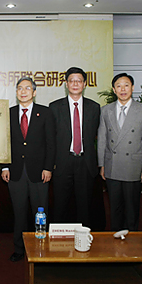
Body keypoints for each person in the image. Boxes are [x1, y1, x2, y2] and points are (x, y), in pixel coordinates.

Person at [1, 77, 55, 262]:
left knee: (40, 213)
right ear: (16, 92)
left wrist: (48, 167)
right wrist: (5, 166)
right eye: (19, 88)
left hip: (39, 172)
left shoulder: (45, 113)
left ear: (34, 92)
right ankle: (19, 249)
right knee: (19, 213)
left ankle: (41, 248)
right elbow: (4, 142)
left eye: (27, 88)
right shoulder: (8, 113)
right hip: (15, 172)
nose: (23, 91)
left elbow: (51, 144)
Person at [97, 73, 142, 231]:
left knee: (132, 208)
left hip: (134, 167)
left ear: (133, 88)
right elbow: (102, 139)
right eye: (119, 86)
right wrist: (101, 164)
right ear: (114, 90)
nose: (123, 89)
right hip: (112, 166)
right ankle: (115, 239)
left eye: (126, 85)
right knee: (114, 208)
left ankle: (132, 243)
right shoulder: (105, 110)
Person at [49, 67, 101, 227]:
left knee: (85, 206)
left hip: (86, 163)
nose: (75, 84)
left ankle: (85, 242)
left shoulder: (94, 108)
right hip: (63, 162)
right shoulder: (54, 107)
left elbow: (100, 137)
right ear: (66, 84)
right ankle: (58, 244)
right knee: (60, 205)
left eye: (79, 81)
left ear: (85, 84)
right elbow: (50, 139)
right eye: (71, 80)